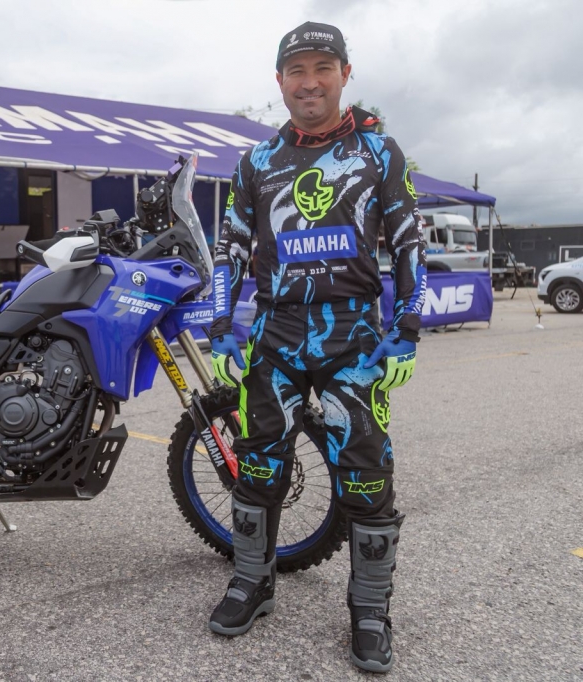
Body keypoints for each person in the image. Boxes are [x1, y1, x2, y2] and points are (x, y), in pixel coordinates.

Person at [205, 22, 427, 674]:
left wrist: (407, 329)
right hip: (274, 335)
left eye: (322, 68)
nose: (309, 82)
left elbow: (410, 242)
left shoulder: (379, 152)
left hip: (353, 338)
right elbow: (230, 248)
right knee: (258, 467)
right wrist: (220, 326)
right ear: (280, 81)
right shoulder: (256, 161)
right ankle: (252, 582)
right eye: (296, 70)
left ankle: (369, 610)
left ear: (344, 75)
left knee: (365, 472)